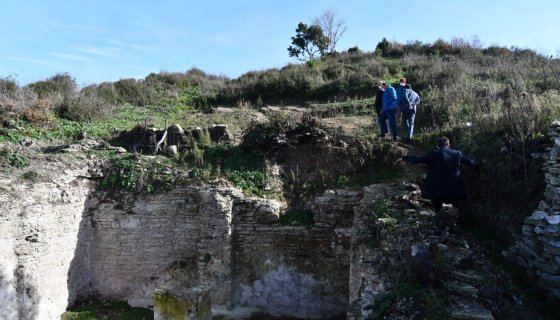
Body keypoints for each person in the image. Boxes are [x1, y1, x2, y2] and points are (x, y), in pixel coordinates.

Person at [395, 137, 475, 213]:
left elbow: (417, 159)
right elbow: (471, 162)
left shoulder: (432, 154)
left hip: (436, 190)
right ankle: (455, 223)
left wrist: (404, 158)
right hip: (454, 190)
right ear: (449, 144)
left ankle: (440, 222)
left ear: (437, 146)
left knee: (437, 210)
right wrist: (473, 157)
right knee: (454, 209)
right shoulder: (457, 154)